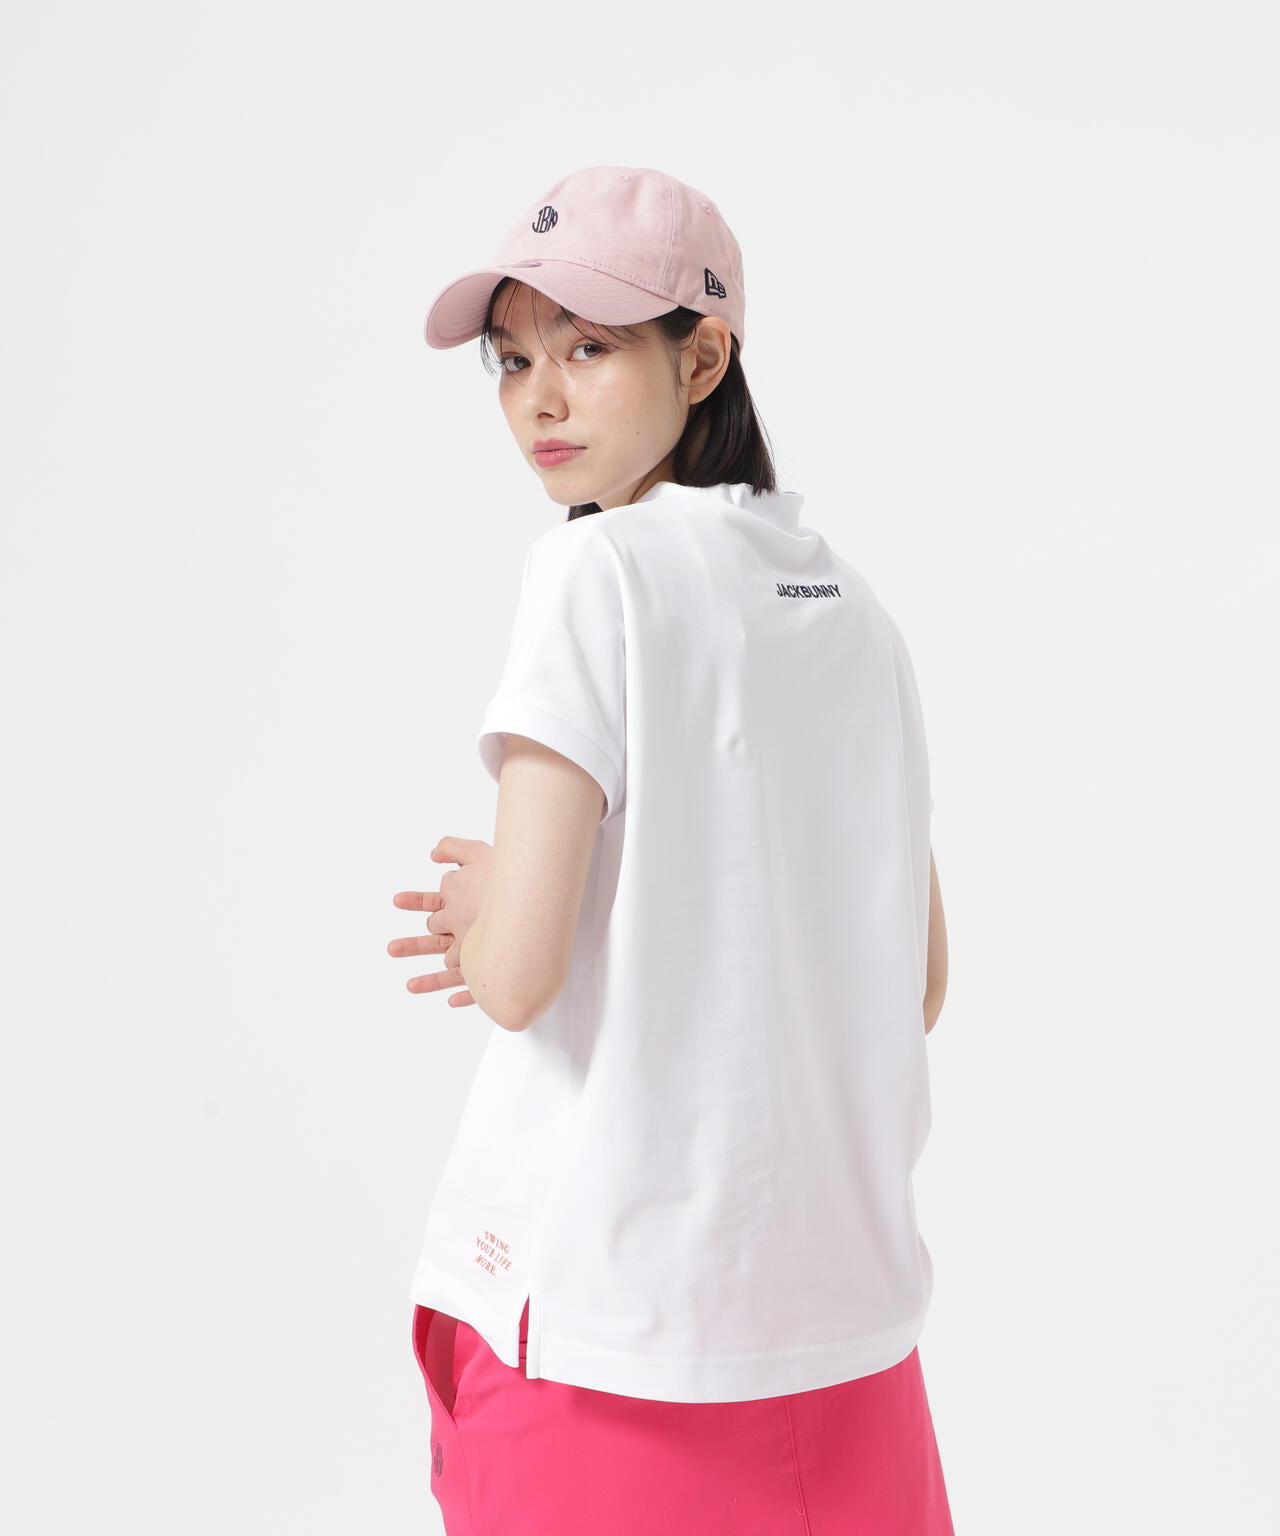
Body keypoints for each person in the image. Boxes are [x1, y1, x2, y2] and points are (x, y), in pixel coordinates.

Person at [389, 164, 954, 1535]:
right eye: (512, 359)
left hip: (604, 1336)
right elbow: (918, 982)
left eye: (588, 348)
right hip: (845, 1346)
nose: (540, 398)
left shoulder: (595, 572)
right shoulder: (852, 609)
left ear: (703, 359)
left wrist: (490, 909)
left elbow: (518, 978)